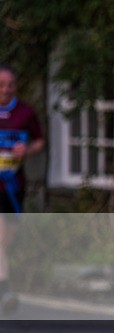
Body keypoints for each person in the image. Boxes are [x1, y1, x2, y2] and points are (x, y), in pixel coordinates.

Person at [0, 64, 44, 315]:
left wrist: (25, 150)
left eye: (10, 85)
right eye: (1, 85)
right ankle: (5, 290)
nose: (5, 89)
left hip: (15, 185)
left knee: (7, 240)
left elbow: (39, 141)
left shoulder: (25, 113)